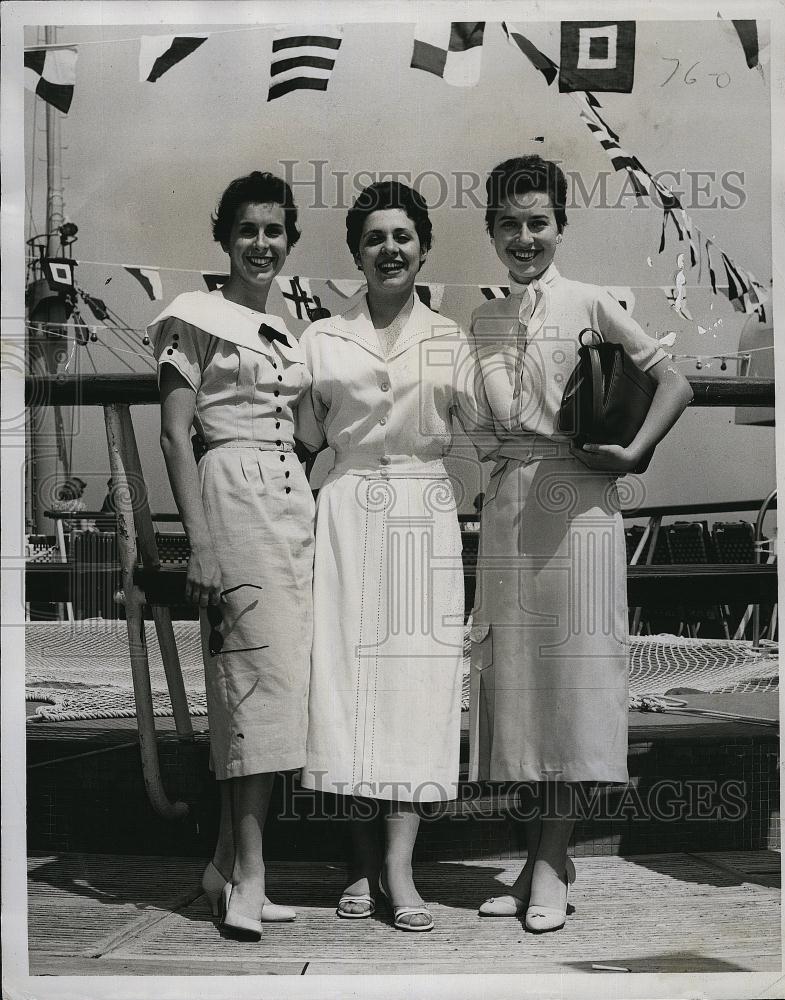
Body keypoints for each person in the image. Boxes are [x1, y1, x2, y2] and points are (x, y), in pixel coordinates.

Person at [467, 155, 693, 933]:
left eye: (537, 222)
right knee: (521, 694)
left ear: (559, 225)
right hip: (508, 510)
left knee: (573, 686)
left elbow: (675, 383)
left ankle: (548, 865)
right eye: (508, 223)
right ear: (490, 229)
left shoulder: (595, 302)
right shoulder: (484, 320)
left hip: (582, 509)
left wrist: (637, 455)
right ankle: (543, 857)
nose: (523, 236)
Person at [296, 181, 471, 932]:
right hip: (342, 513)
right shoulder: (320, 339)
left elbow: (493, 428)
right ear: (355, 253)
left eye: (402, 236)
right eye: (374, 238)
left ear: (423, 248)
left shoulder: (451, 338)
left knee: (412, 690)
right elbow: (302, 436)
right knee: (345, 688)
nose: (389, 250)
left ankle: (399, 870)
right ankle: (359, 860)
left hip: (422, 514)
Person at [150, 171, 315, 941]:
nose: (261, 244)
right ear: (223, 237)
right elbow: (175, 435)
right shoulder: (191, 317)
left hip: (293, 505)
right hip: (233, 497)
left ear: (289, 240)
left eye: (274, 231)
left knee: (281, 693)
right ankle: (249, 877)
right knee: (250, 685)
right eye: (247, 230)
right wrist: (201, 543)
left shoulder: (285, 328)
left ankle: (224, 865)